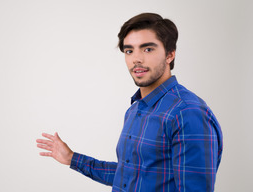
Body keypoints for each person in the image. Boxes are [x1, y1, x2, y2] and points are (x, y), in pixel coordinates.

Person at [36, 12, 223, 191]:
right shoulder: (135, 110)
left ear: (169, 55)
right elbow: (128, 176)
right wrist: (72, 158)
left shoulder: (187, 112)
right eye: (129, 50)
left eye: (148, 49)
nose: (136, 59)